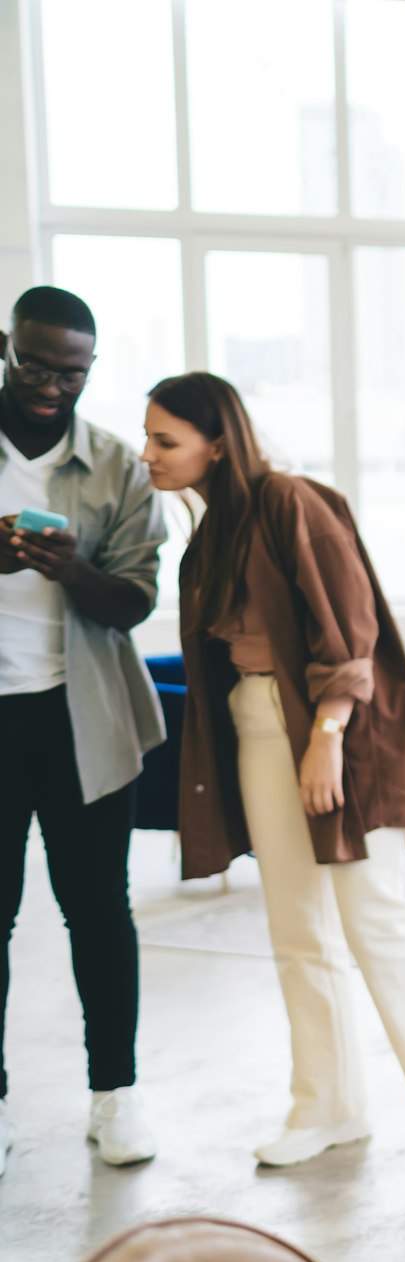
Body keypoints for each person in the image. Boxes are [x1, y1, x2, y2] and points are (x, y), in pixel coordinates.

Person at [142, 371, 405, 1167]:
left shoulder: (293, 501)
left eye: (166, 440)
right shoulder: (208, 538)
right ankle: (327, 1106)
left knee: (373, 909)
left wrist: (327, 733)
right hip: (257, 728)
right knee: (298, 927)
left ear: (218, 442)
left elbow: (351, 622)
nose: (149, 455)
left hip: (340, 729)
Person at [0, 287, 166, 1173]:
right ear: (8, 346)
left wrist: (73, 571)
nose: (52, 386)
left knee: (98, 911)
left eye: (73, 371)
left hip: (83, 719)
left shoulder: (113, 465)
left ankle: (117, 1097)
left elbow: (136, 601)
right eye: (36, 364)